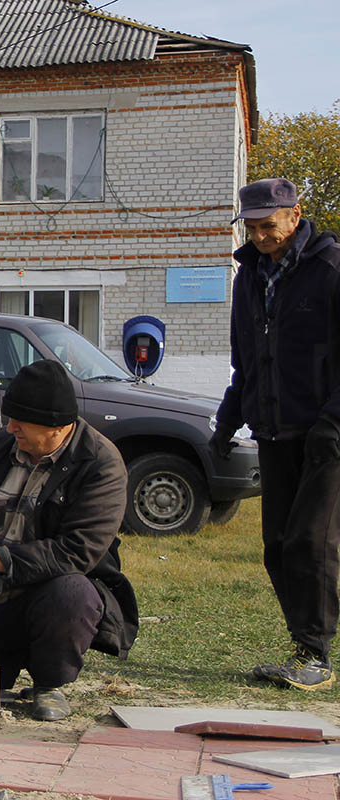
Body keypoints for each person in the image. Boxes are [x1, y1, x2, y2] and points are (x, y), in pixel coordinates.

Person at [0, 359, 137, 721]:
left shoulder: (100, 464)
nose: (10, 427)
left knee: (72, 594)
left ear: (58, 427)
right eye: (9, 417)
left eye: (21, 422)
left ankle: (49, 683)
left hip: (49, 596)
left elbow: (79, 550)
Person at [211, 177, 340, 690]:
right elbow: (246, 359)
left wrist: (333, 423)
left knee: (310, 541)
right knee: (277, 546)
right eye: (253, 228)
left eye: (271, 226)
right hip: (274, 429)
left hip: (326, 434)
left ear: (295, 215)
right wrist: (227, 418)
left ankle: (316, 654)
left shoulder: (330, 269)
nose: (263, 237)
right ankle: (303, 644)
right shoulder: (248, 277)